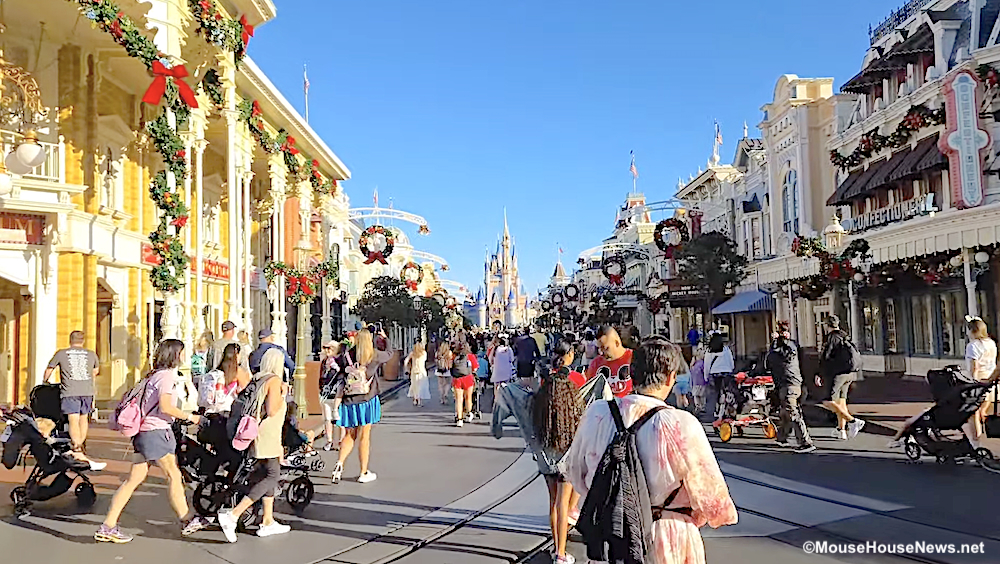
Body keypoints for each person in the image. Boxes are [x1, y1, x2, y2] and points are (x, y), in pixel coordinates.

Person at [565, 337, 738, 564]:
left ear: (631, 374)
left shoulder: (597, 414)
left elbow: (574, 473)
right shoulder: (681, 423)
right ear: (670, 377)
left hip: (611, 535)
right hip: (667, 536)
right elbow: (714, 500)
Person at [95, 339, 211, 543]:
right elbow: (166, 407)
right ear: (175, 354)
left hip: (144, 432)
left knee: (133, 479)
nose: (185, 356)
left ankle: (108, 525)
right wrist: (191, 417)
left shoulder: (153, 375)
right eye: (183, 352)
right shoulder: (166, 377)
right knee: (173, 475)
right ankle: (187, 519)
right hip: (156, 431)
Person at [218, 348, 291, 541]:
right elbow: (272, 409)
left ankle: (267, 520)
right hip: (268, 433)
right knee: (273, 475)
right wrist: (283, 394)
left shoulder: (258, 378)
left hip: (257, 430)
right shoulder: (274, 381)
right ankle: (233, 514)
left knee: (263, 474)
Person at [533, 340, 585, 564]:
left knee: (553, 501)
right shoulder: (575, 382)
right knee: (564, 503)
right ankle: (562, 553)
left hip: (548, 450)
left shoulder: (545, 385)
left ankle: (558, 550)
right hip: (567, 449)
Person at [331, 328, 394, 484]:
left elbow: (337, 364)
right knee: (364, 436)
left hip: (349, 400)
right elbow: (389, 354)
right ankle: (363, 472)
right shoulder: (374, 355)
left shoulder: (347, 355)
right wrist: (385, 339)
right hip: (367, 399)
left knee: (349, 435)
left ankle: (339, 464)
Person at [43, 330, 105, 471]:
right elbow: (95, 372)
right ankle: (79, 446)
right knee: (84, 419)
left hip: (70, 391)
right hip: (87, 391)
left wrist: (45, 381)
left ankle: (76, 449)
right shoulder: (91, 354)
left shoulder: (61, 353)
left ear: (70, 340)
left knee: (73, 420)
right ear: (83, 341)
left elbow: (49, 369)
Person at [766, 322, 815, 453]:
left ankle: (805, 443)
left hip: (786, 386)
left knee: (793, 414)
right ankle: (782, 437)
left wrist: (774, 342)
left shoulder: (777, 353)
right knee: (786, 412)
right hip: (797, 384)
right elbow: (792, 346)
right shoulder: (794, 350)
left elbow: (768, 361)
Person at [817, 315, 864, 440]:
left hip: (837, 374)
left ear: (827, 325)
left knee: (827, 401)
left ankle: (853, 421)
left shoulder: (831, 338)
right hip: (849, 373)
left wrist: (819, 373)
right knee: (841, 401)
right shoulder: (845, 335)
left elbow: (825, 356)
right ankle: (841, 430)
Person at [964, 316, 997, 448]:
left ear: (972, 331)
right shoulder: (991, 343)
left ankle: (976, 444)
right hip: (991, 382)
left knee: (973, 414)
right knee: (983, 411)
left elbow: (974, 368)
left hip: (979, 383)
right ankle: (984, 434)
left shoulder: (972, 346)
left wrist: (971, 384)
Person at [585, 325, 634, 397]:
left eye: (605, 348)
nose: (601, 352)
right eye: (599, 348)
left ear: (617, 343)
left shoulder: (634, 357)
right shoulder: (596, 363)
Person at [320, 340, 344, 451]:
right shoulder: (324, 362)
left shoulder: (339, 362)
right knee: (327, 419)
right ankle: (329, 440)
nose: (327, 351)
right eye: (326, 349)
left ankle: (341, 441)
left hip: (336, 395)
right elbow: (320, 377)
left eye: (330, 348)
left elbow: (341, 378)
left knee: (338, 420)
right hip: (325, 394)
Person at [704, 332, 735, 420]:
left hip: (715, 374)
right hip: (726, 373)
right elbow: (731, 361)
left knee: (717, 392)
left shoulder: (709, 351)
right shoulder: (726, 349)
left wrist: (706, 376)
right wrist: (731, 369)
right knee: (727, 392)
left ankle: (718, 411)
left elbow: (707, 365)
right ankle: (727, 409)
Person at [452, 342, 479, 427]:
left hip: (457, 379)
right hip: (468, 378)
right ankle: (468, 413)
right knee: (468, 398)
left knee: (458, 399)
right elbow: (475, 368)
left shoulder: (453, 356)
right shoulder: (470, 356)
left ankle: (459, 419)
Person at [406, 340, 430, 407]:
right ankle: (419, 400)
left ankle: (414, 400)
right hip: (422, 371)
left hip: (414, 371)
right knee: (420, 386)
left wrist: (407, 368)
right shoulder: (424, 353)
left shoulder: (412, 353)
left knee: (414, 385)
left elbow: (406, 361)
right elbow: (424, 360)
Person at [690, 349, 708, 415]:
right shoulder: (702, 363)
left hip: (695, 382)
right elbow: (705, 372)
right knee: (702, 395)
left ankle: (698, 406)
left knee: (696, 395)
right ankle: (702, 407)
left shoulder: (693, 365)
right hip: (702, 382)